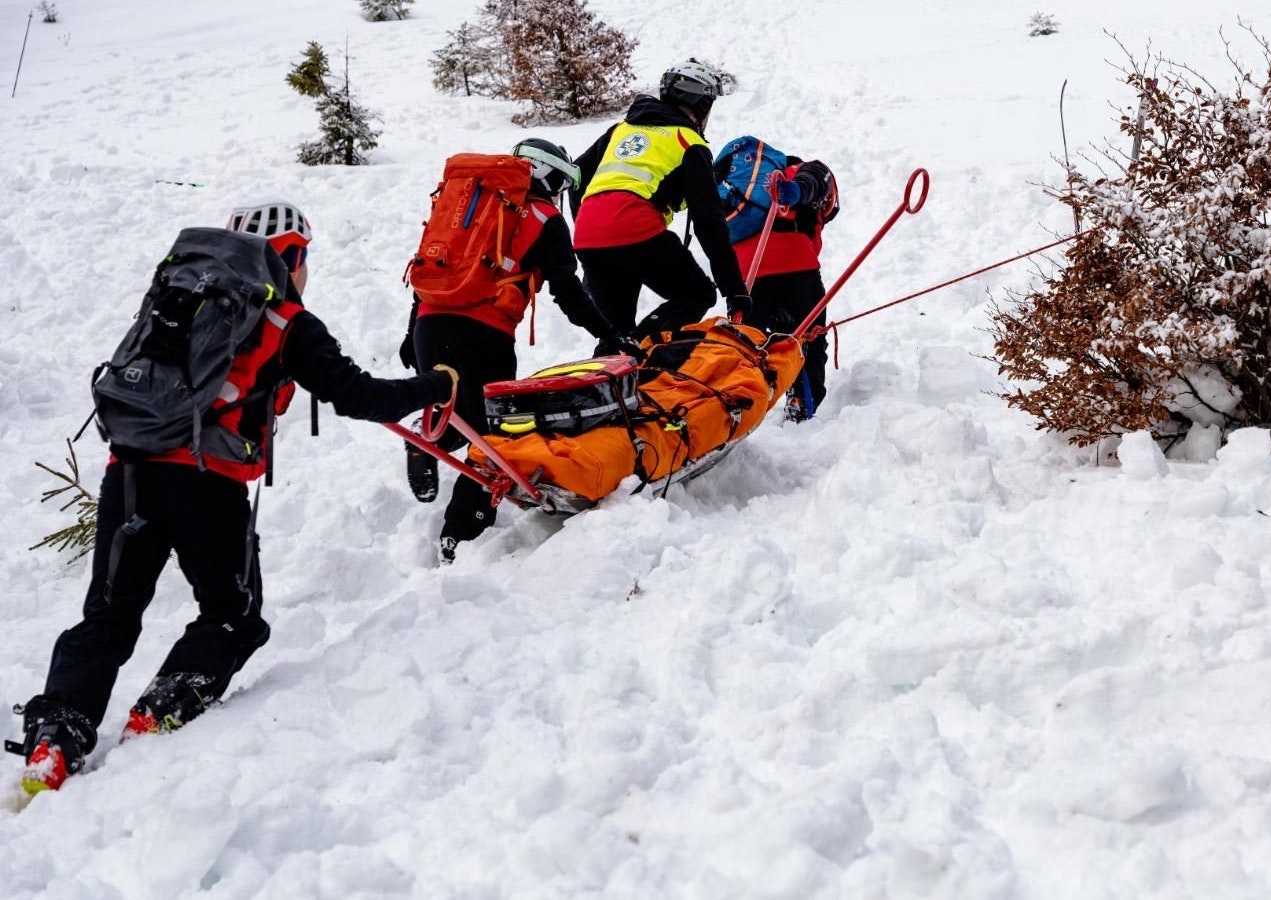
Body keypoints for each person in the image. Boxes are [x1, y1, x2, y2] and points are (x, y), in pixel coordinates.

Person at [11, 201, 460, 795]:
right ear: (293, 256)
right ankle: (162, 709)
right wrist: (436, 383)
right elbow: (359, 396)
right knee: (234, 617)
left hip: (129, 476)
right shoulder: (285, 320)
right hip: (206, 485)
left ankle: (55, 740)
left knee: (108, 618)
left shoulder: (177, 297)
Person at [399, 139, 621, 564]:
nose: (558, 192)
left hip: (429, 322)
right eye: (559, 181)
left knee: (455, 413)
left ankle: (424, 438)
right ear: (547, 175)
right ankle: (460, 535)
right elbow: (569, 293)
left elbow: (435, 265)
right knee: (495, 437)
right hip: (485, 334)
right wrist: (608, 333)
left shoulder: (471, 204)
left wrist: (413, 333)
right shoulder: (545, 218)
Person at [571, 59, 752, 344]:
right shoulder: (688, 141)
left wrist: (587, 230)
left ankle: (609, 376)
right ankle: (639, 347)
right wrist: (734, 289)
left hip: (588, 235)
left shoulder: (621, 130)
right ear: (702, 105)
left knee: (613, 333)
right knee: (697, 293)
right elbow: (709, 222)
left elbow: (577, 175)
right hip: (635, 226)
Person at [715, 147, 840, 421]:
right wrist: (796, 191)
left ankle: (734, 409)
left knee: (745, 347)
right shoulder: (803, 169)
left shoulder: (738, 187)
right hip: (797, 268)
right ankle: (802, 404)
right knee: (807, 340)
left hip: (745, 276)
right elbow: (816, 181)